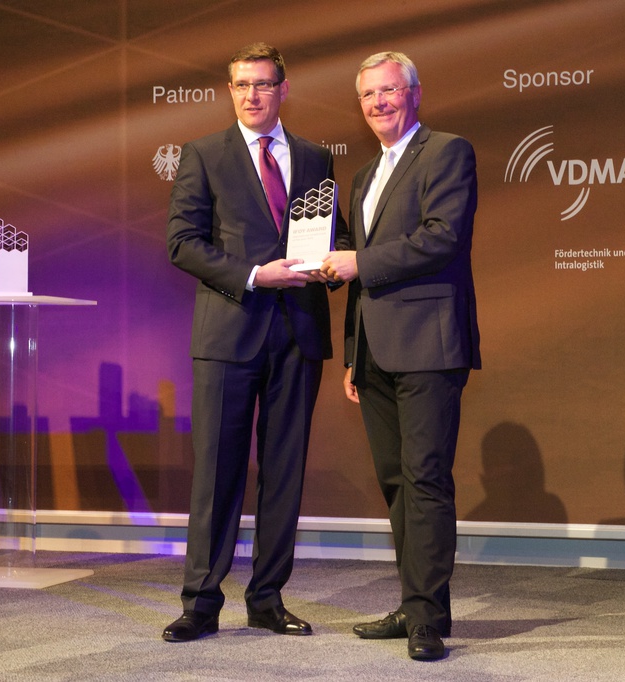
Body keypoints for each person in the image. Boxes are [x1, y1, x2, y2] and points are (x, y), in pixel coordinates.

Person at [163, 42, 348, 642]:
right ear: (230, 90)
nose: (252, 95)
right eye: (242, 84)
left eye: (263, 84)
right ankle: (200, 603)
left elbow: (335, 235)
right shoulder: (203, 154)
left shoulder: (315, 157)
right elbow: (182, 243)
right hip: (228, 334)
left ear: (283, 89)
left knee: (284, 473)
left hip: (298, 333)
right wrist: (252, 275)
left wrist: (333, 265)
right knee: (217, 473)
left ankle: (267, 599)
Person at [321, 51, 481, 662]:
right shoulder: (364, 175)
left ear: (414, 93)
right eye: (367, 95)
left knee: (426, 479)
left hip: (430, 344)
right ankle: (415, 606)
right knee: (395, 484)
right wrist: (352, 354)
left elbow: (442, 237)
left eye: (388, 91)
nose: (378, 103)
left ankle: (428, 620)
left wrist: (358, 261)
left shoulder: (447, 151)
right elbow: (356, 273)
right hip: (376, 352)